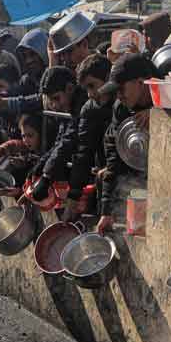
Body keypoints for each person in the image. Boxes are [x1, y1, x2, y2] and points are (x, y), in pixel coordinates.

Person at [97, 54, 157, 234]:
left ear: (141, 82)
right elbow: (114, 157)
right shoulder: (121, 108)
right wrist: (106, 211)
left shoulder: (170, 98)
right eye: (115, 92)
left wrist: (159, 114)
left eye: (121, 89)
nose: (119, 96)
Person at [63, 54, 115, 221]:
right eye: (86, 89)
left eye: (93, 86)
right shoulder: (89, 109)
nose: (91, 94)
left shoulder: (125, 102)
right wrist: (73, 197)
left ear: (108, 79)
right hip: (105, 180)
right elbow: (83, 153)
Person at [28, 66, 88, 203]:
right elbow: (60, 141)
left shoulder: (82, 104)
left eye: (56, 98)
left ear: (69, 88)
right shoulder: (68, 106)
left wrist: (46, 176)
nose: (54, 105)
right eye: (51, 100)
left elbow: (69, 140)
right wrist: (41, 165)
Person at [0, 113, 44, 188]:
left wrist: (19, 191)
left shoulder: (46, 153)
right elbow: (14, 144)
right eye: (23, 136)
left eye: (30, 135)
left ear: (40, 134)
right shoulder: (27, 147)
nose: (25, 140)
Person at [15, 29, 48, 95]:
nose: (28, 60)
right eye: (24, 56)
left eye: (33, 54)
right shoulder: (26, 81)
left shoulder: (58, 76)